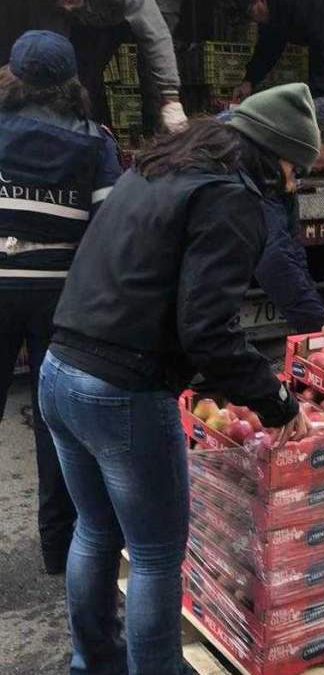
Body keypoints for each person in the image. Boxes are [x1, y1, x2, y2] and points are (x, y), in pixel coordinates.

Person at [38, 83, 316, 673]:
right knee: (158, 554)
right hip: (122, 390)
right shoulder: (231, 196)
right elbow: (208, 329)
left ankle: (92, 663)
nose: (293, 181)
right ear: (277, 152)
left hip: (59, 370)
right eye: (296, 165)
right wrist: (275, 401)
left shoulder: (164, 167)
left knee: (94, 528)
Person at [0, 30, 121, 576]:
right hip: (60, 299)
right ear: (71, 83)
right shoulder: (96, 142)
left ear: (13, 77)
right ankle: (58, 549)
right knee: (56, 425)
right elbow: (107, 232)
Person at [252, 96, 324, 333]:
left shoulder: (290, 166)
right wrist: (315, 323)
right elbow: (272, 254)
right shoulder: (261, 163)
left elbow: (291, 245)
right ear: (315, 136)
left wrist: (315, 314)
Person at [55, 0, 188, 133]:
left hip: (152, 8)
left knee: (152, 84)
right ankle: (87, 137)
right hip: (89, 19)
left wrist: (171, 98)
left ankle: (158, 142)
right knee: (83, 83)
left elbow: (155, 36)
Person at [236, 0, 324, 101]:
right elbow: (267, 50)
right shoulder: (271, 15)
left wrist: (318, 96)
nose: (253, 19)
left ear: (262, 1)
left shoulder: (301, 6)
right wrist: (249, 80)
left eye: (251, 11)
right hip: (323, 43)